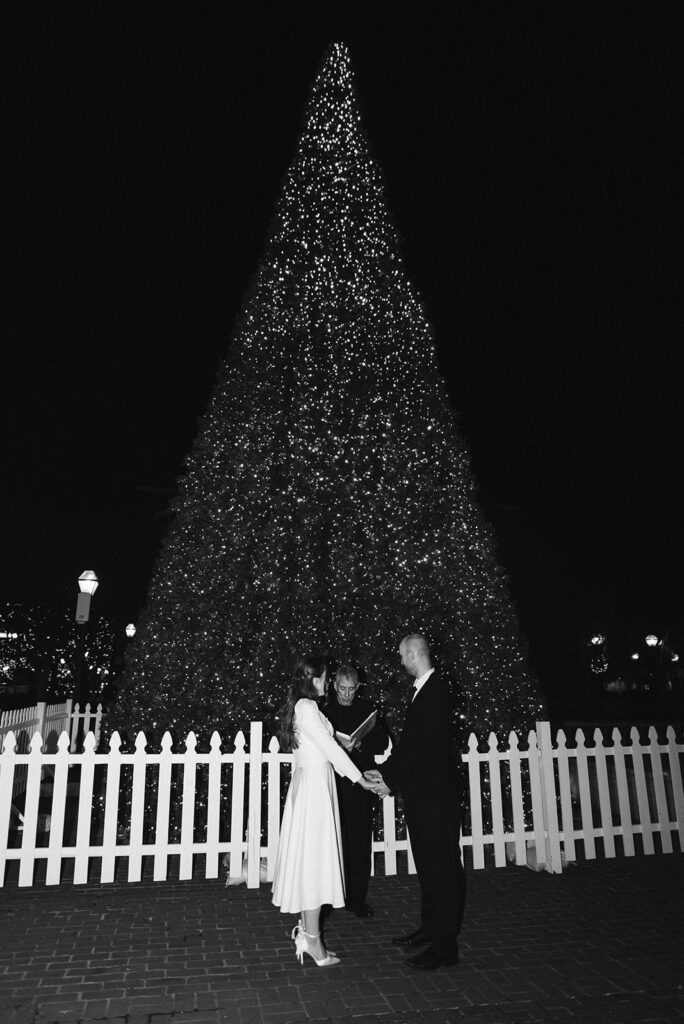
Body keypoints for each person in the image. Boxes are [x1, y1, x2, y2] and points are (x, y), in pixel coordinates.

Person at [365, 633, 465, 971]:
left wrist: (388, 781)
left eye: (401, 655)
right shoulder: (426, 689)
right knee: (429, 867)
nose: (400, 661)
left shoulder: (436, 691)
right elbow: (411, 747)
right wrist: (386, 774)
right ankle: (432, 929)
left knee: (442, 869)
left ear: (412, 654)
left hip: (436, 798)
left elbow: (420, 749)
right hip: (425, 796)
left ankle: (445, 947)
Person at [272, 659, 377, 967]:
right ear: (316, 680)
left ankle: (307, 933)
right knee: (314, 864)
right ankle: (314, 942)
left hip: (315, 785)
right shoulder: (306, 708)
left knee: (310, 863)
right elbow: (330, 749)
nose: (327, 683)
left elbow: (328, 743)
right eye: (326, 678)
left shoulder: (305, 707)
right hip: (315, 790)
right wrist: (360, 779)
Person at [323, 665, 389, 918]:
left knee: (360, 843)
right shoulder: (325, 710)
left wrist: (361, 741)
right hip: (334, 782)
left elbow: (383, 741)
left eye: (352, 689)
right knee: (332, 841)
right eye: (342, 689)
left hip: (361, 783)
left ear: (358, 687)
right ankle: (328, 899)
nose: (347, 695)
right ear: (333, 685)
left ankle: (357, 899)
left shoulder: (367, 710)